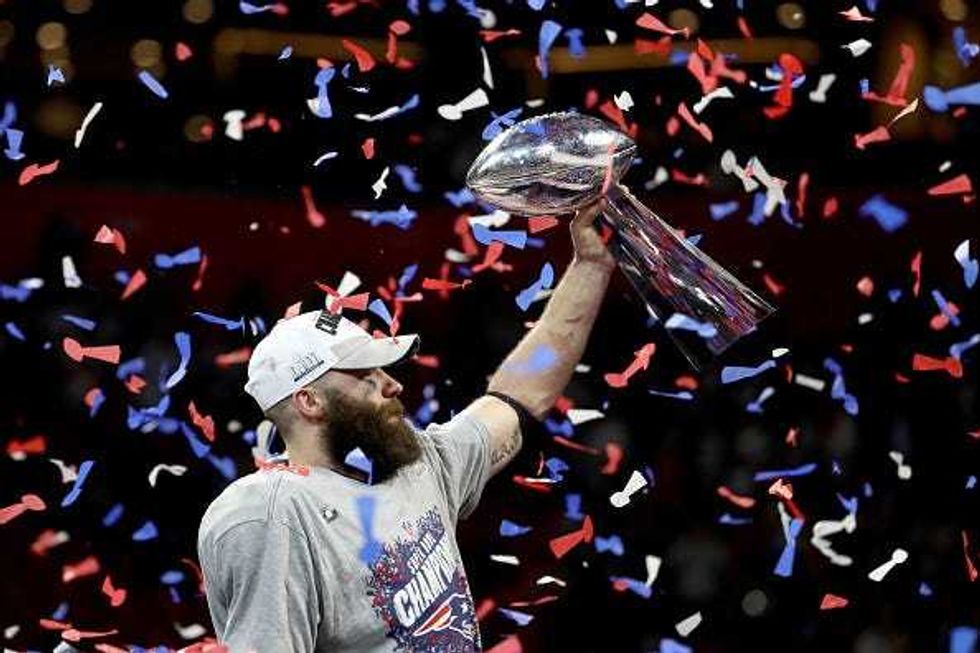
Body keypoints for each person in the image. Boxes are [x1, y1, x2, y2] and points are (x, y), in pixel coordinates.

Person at [197, 198, 615, 652]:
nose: (393, 385)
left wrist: (591, 265)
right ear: (309, 401)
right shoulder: (271, 515)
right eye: (365, 376)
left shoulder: (414, 462)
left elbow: (519, 395)